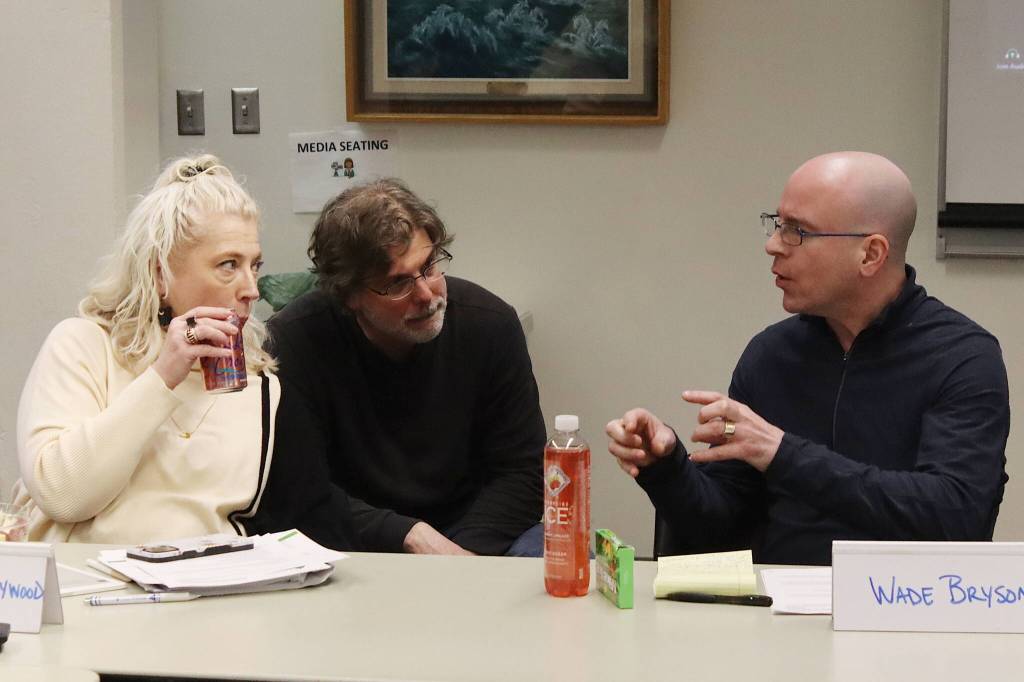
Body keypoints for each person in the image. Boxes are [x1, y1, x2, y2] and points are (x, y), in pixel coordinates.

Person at [606, 151, 1010, 565]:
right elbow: (719, 527)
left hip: (907, 607)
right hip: (777, 610)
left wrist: (783, 455)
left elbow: (955, 518)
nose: (772, 245)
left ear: (871, 254)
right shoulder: (771, 356)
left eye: (798, 231)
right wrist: (666, 466)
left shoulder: (962, 357)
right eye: (778, 224)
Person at [12, 154, 357, 548]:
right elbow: (63, 496)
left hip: (205, 593)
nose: (251, 289)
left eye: (254, 266)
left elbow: (306, 521)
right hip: (84, 591)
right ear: (161, 273)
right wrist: (164, 375)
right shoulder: (83, 345)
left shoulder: (260, 384)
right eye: (228, 265)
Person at [268, 178, 545, 556]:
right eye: (398, 283)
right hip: (359, 542)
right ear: (349, 296)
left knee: (554, 557)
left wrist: (458, 558)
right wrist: (408, 535)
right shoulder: (294, 342)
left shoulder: (491, 324)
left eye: (429, 266)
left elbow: (524, 473)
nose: (427, 295)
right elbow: (300, 490)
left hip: (476, 537)